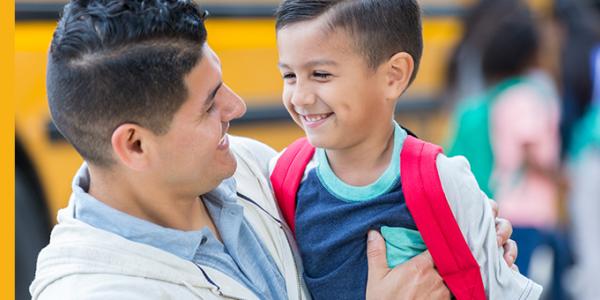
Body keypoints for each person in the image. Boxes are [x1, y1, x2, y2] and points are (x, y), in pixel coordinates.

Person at [30, 0, 517, 299]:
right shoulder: (97, 290)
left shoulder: (259, 171)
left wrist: (459, 224)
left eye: (223, 83)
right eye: (208, 106)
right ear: (134, 144)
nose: (237, 106)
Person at [272, 0, 539, 299]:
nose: (300, 97)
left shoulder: (442, 181)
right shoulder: (282, 179)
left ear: (394, 75)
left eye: (320, 74)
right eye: (289, 76)